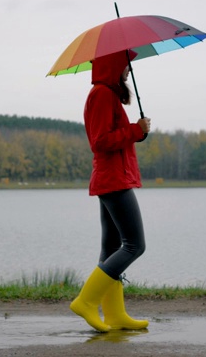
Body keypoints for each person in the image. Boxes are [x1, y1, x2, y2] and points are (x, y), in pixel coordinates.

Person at [69, 49, 151, 332]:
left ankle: (115, 315)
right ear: (114, 65)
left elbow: (111, 138)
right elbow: (100, 141)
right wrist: (135, 131)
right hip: (113, 180)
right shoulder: (101, 94)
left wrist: (136, 132)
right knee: (135, 245)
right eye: (125, 65)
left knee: (111, 248)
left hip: (112, 179)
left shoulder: (107, 94)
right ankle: (86, 301)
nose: (128, 70)